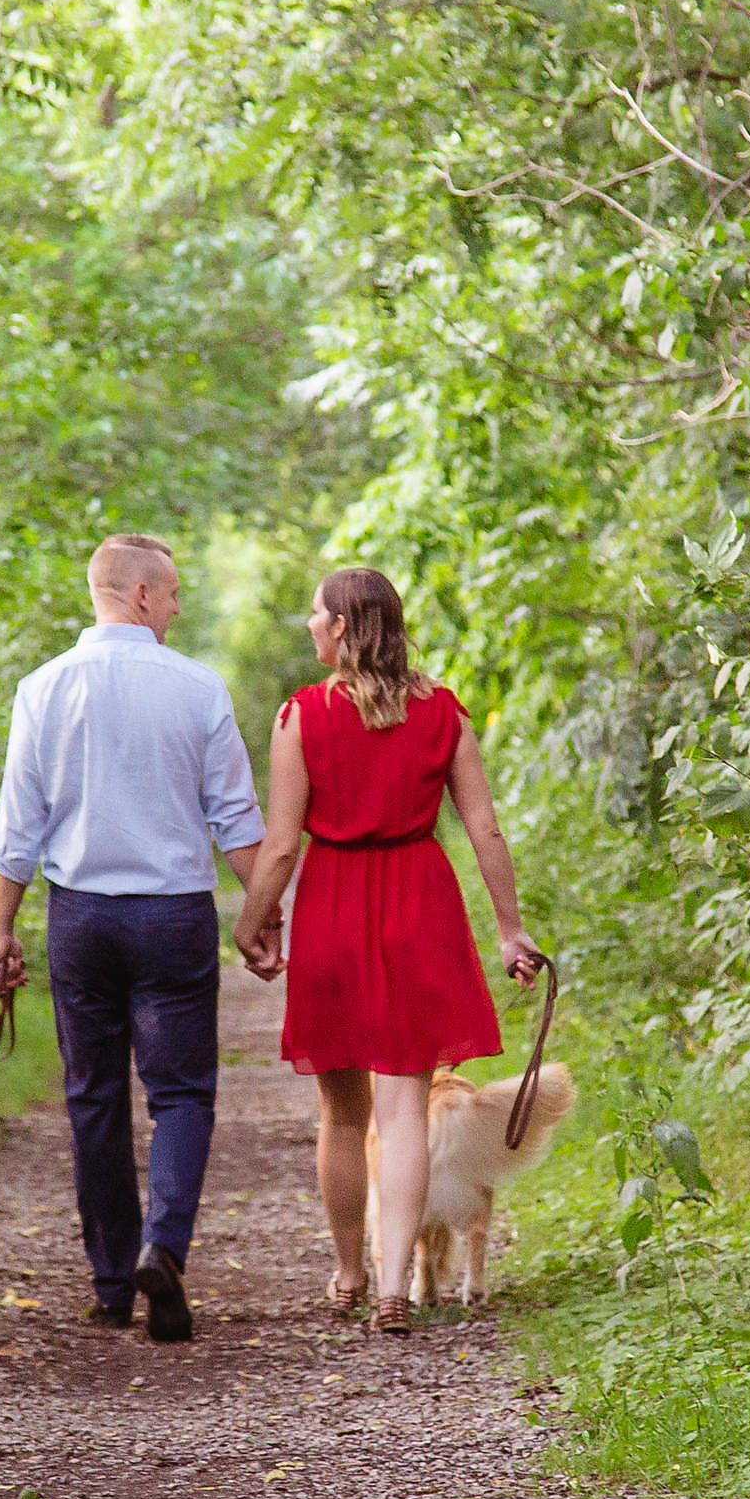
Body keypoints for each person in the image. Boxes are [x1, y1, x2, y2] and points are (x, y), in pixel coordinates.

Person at [230, 566, 546, 1334]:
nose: (307, 624)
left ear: (341, 627)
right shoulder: (444, 713)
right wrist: (510, 928)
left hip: (335, 907)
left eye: (314, 614)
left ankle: (348, 1271)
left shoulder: (301, 716)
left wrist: (254, 921)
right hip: (420, 905)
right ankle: (395, 1288)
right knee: (403, 1110)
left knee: (343, 1114)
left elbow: (278, 847)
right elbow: (485, 832)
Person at [0, 534, 264, 1343]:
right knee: (180, 1093)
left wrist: (2, 929)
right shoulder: (197, 688)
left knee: (93, 1096)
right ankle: (162, 1253)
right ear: (139, 595)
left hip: (81, 918)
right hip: (172, 915)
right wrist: (270, 913)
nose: (179, 606)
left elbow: (18, 826)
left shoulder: (42, 688)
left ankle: (111, 1285)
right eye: (172, 593)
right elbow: (237, 824)